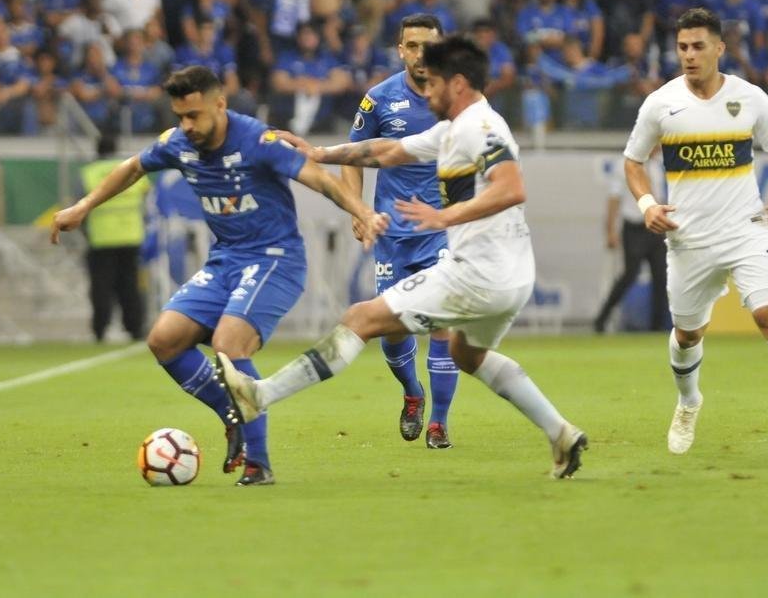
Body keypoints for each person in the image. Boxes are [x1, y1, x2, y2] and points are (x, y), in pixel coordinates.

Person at [217, 36, 589, 479]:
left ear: (458, 83)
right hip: (510, 275)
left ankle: (259, 395)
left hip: (477, 274)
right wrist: (319, 153)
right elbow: (384, 151)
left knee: (360, 319)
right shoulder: (451, 128)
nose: (424, 92)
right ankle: (561, 433)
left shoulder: (481, 127)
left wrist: (445, 215)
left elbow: (511, 188)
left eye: (431, 84)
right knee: (470, 357)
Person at [50, 66, 387, 486]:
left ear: (220, 104)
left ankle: (258, 463)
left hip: (275, 259)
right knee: (164, 340)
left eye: (194, 115)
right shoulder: (178, 143)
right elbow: (133, 167)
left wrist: (364, 212)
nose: (186, 126)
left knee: (229, 343)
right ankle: (232, 414)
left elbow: (318, 178)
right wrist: (83, 207)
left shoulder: (257, 140)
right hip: (225, 260)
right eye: (180, 116)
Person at [623, 8, 768, 456]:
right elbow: (633, 161)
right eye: (682, 47)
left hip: (746, 231)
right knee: (687, 335)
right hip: (688, 239)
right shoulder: (661, 104)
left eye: (698, 46)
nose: (689, 56)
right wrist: (647, 204)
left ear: (720, 48)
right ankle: (688, 401)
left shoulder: (750, 98)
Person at [345, 13, 459, 449]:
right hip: (392, 233)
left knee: (442, 324)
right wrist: (357, 210)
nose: (420, 54)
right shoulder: (378, 99)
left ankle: (439, 422)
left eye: (427, 45)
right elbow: (353, 157)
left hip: (441, 230)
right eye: (411, 46)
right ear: (400, 50)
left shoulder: (458, 97)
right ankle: (412, 393)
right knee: (393, 331)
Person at [79, 132, 149, 343]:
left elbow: (79, 205)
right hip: (131, 236)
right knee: (130, 286)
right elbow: (147, 199)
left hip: (101, 238)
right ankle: (135, 328)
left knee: (101, 287)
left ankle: (100, 329)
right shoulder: (130, 169)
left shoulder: (89, 173)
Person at [593, 147, 668, 333]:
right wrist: (610, 230)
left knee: (661, 277)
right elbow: (614, 199)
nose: (659, 148)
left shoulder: (658, 167)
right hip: (634, 228)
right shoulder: (625, 165)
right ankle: (602, 319)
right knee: (629, 275)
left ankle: (657, 326)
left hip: (656, 228)